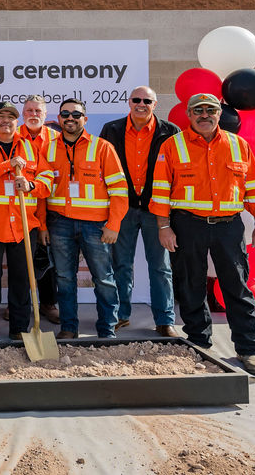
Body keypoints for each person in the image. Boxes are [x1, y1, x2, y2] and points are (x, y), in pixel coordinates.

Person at [151, 93, 255, 376]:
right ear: (190, 115)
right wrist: (163, 226)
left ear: (219, 114)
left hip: (228, 227)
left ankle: (249, 350)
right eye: (198, 111)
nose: (204, 115)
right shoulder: (173, 145)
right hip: (187, 225)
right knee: (191, 287)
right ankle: (199, 344)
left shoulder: (238, 145)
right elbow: (160, 191)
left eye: (211, 110)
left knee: (237, 289)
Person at [39, 98, 128, 339]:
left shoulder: (102, 148)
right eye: (65, 114)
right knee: (64, 279)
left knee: (103, 278)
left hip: (96, 226)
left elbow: (120, 191)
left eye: (76, 114)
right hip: (60, 224)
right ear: (59, 119)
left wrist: (114, 225)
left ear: (84, 119)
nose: (70, 118)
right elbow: (41, 192)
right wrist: (43, 225)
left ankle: (107, 328)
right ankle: (69, 328)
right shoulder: (47, 148)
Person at [99, 86, 180, 336]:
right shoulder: (111, 130)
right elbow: (103, 169)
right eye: (136, 99)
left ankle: (165, 320)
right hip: (123, 208)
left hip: (157, 210)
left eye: (147, 100)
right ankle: (121, 315)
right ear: (129, 102)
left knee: (160, 266)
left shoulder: (170, 132)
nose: (141, 104)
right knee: (121, 265)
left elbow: (176, 171)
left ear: (155, 104)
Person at [0, 101, 53, 341]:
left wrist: (30, 185)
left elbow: (47, 181)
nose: (6, 120)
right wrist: (6, 166)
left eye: (11, 116)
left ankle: (20, 329)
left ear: (17, 122)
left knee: (22, 280)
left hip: (23, 225)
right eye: (0, 116)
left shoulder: (30, 147)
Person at [17, 95, 61, 324]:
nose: (33, 114)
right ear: (23, 114)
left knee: (49, 259)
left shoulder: (56, 139)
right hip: (24, 209)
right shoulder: (14, 138)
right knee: (24, 261)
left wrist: (44, 223)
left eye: (38, 111)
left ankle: (48, 303)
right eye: (29, 110)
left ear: (45, 115)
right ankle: (20, 303)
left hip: (53, 207)